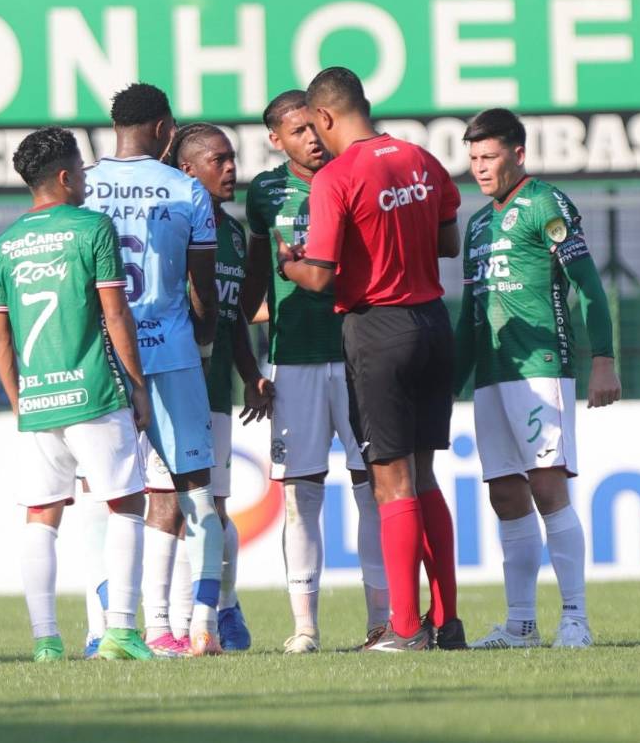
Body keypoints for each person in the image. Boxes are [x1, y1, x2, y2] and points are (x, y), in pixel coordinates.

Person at [276, 67, 464, 653]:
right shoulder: (420, 159)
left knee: (392, 482)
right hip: (434, 321)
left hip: (379, 329)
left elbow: (321, 275)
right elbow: (448, 242)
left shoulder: (337, 177)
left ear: (326, 117)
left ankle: (406, 630)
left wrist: (287, 263)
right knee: (426, 475)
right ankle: (448, 621)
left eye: (314, 125)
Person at [0, 126, 154, 663]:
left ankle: (46, 641)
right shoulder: (92, 228)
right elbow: (115, 312)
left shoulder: (3, 245)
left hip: (37, 403)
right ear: (64, 177)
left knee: (42, 514)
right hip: (96, 394)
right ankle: (121, 632)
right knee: (127, 502)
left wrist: (20, 401)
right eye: (81, 170)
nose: (85, 179)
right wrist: (139, 385)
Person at [455, 108, 621, 650]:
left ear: (517, 155)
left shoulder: (546, 203)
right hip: (490, 376)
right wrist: (450, 384)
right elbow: (468, 315)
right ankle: (521, 623)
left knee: (547, 485)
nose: (480, 167)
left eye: (490, 156)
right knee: (505, 494)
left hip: (540, 367)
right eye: (474, 157)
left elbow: (589, 287)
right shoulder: (477, 224)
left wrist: (603, 358)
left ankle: (575, 617)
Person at [239, 90, 390, 654]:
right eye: (296, 130)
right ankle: (305, 626)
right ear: (277, 139)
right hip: (294, 360)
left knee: (371, 488)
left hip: (357, 350)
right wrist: (246, 359)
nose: (310, 137)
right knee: (302, 496)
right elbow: (255, 279)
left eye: (314, 126)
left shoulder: (353, 173)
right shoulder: (266, 192)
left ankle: (382, 621)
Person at [83, 83, 226, 656]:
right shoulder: (185, 189)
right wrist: (206, 345)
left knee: (108, 497)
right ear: (167, 130)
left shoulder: (81, 185)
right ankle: (203, 627)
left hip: (101, 360)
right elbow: (204, 290)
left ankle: (104, 630)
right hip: (170, 354)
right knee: (197, 493)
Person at [136, 123, 275, 654]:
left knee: (214, 506)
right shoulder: (168, 224)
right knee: (167, 504)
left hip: (216, 391)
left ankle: (223, 607)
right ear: (188, 170)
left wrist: (249, 374)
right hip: (170, 385)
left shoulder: (235, 234)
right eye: (218, 160)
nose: (231, 168)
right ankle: (160, 624)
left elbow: (233, 314)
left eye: (232, 158)